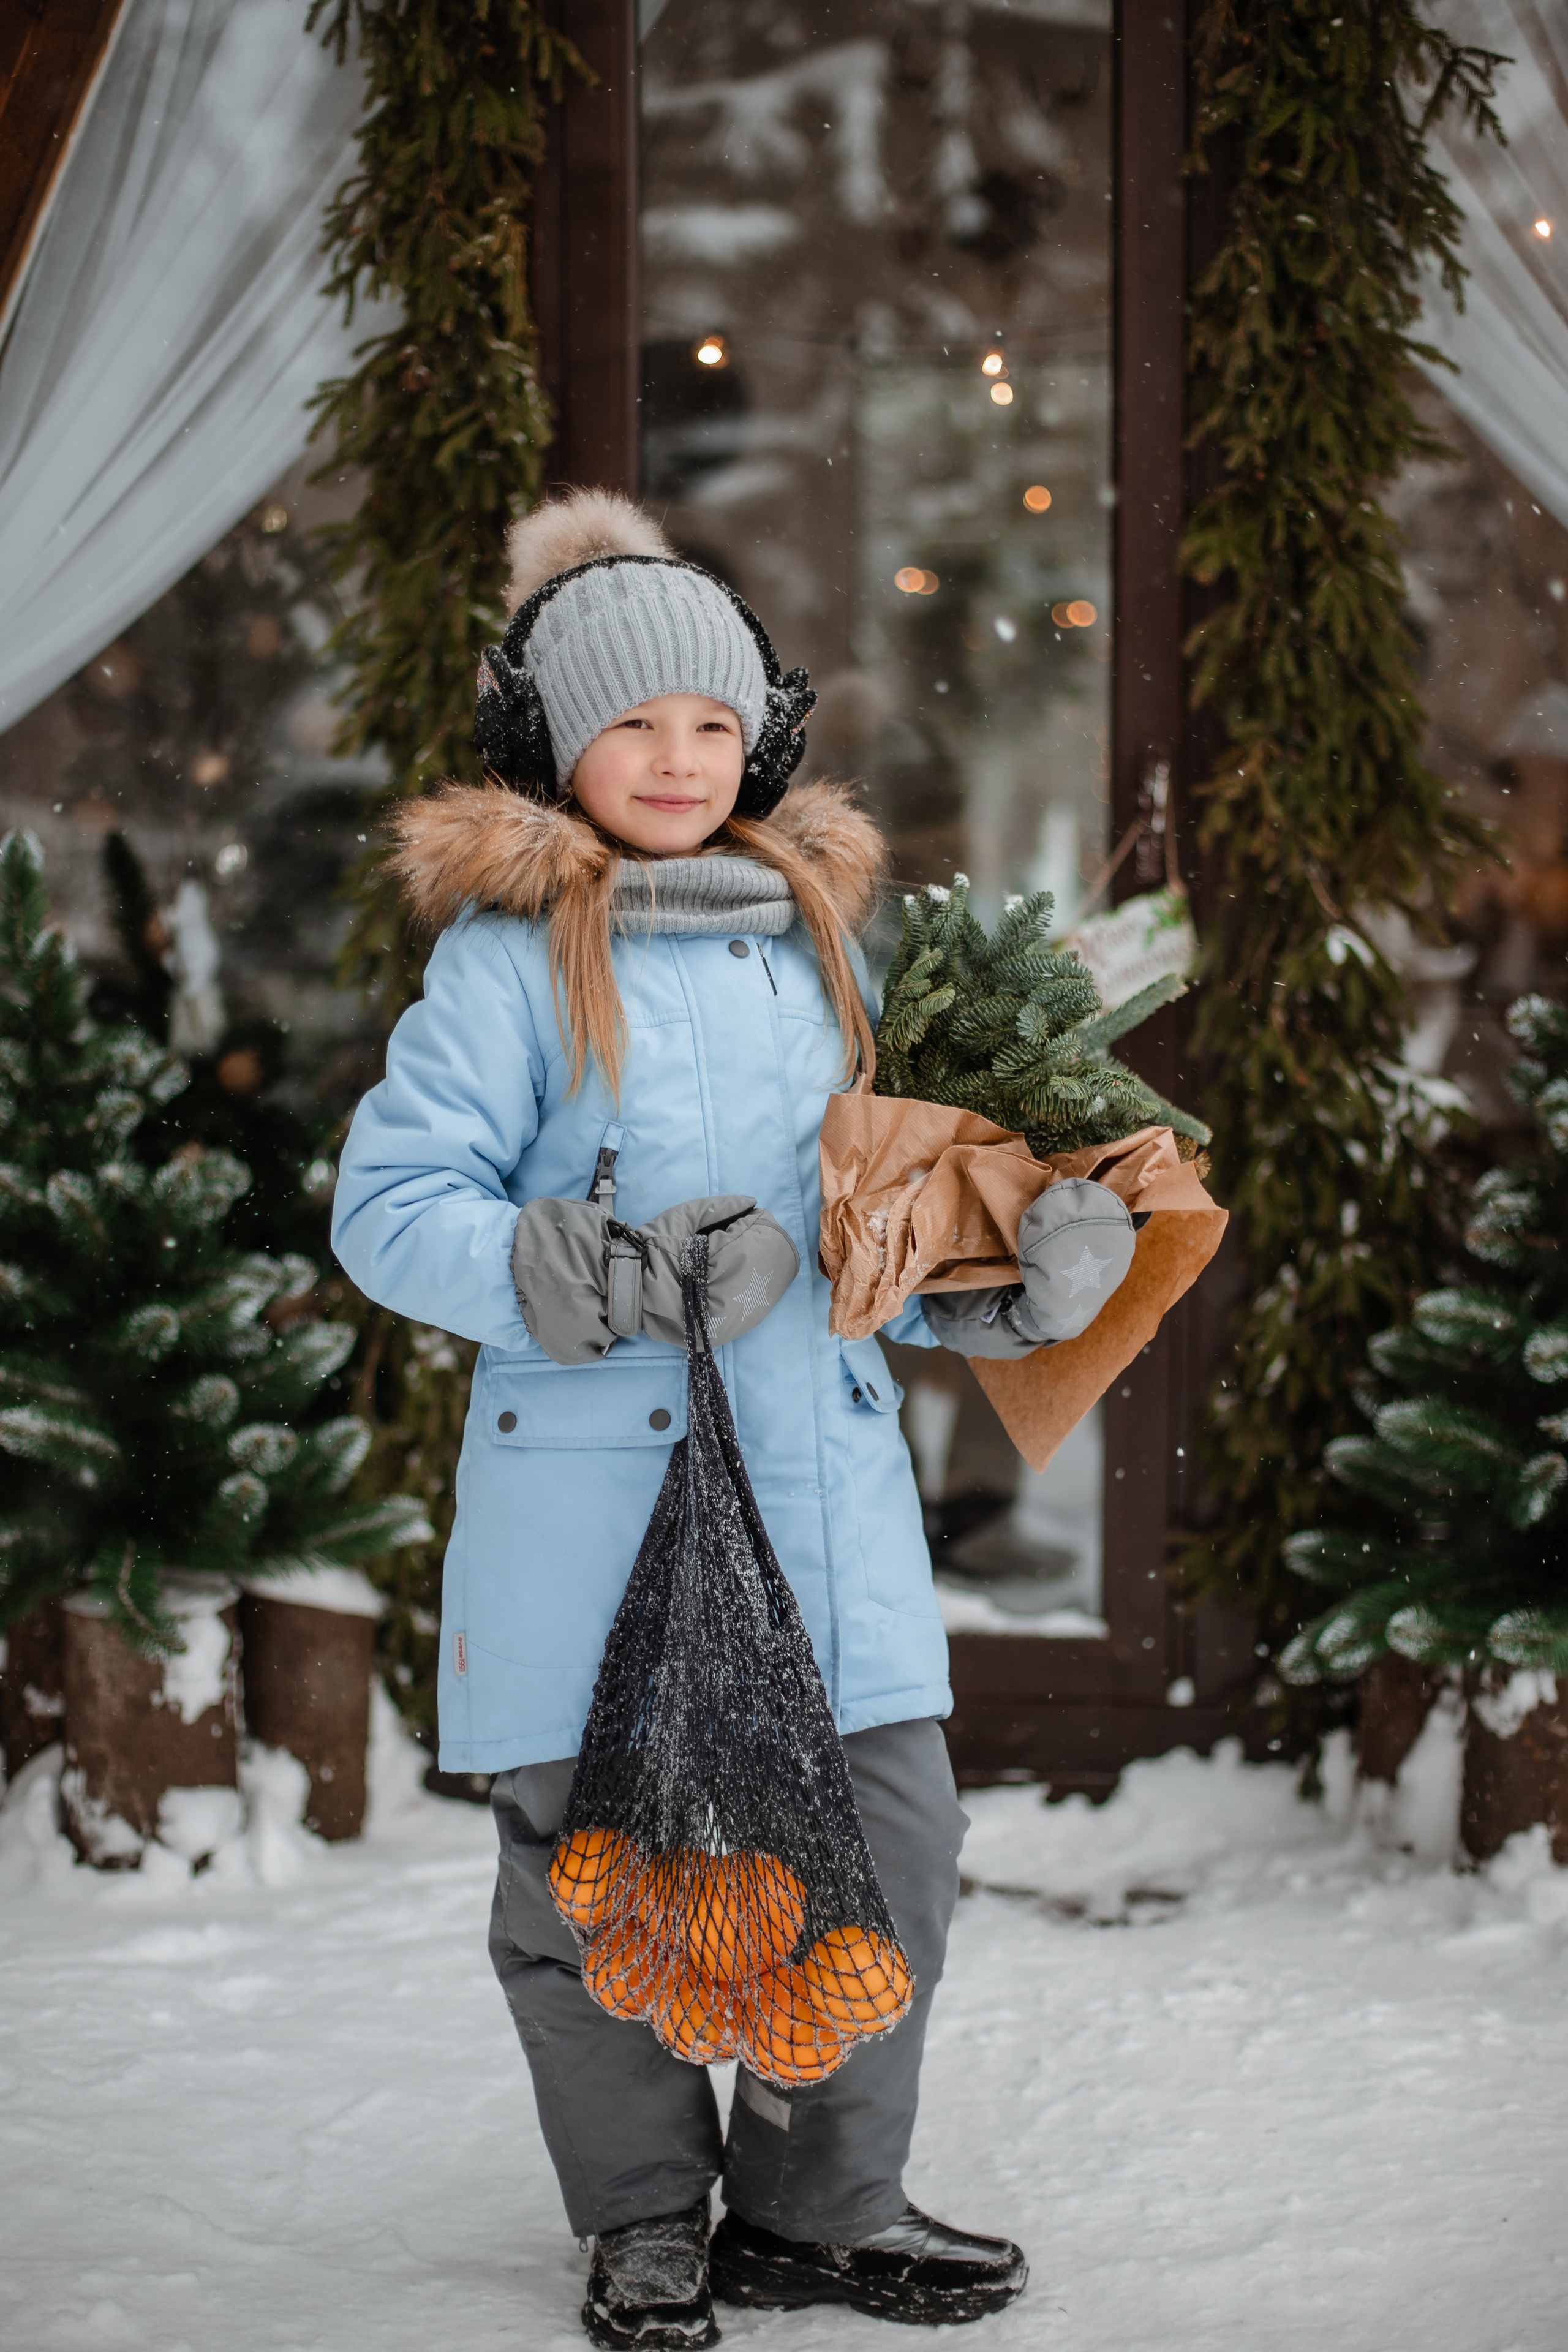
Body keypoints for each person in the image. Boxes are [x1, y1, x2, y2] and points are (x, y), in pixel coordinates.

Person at [333, 490, 1129, 2348]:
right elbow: (390, 1208)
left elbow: (879, 1220)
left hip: (824, 1505)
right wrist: (598, 1270)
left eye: (710, 724)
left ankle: (817, 2204)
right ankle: (639, 2220)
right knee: (598, 1878)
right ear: (555, 745)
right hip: (590, 1524)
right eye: (632, 725)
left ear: (758, 739)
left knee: (885, 1852)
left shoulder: (822, 954)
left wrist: (1015, 1273)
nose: (676, 761)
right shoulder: (509, 962)